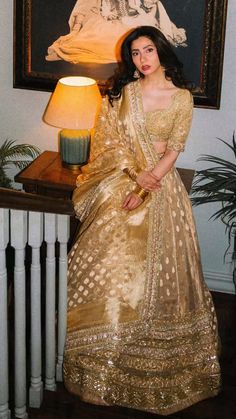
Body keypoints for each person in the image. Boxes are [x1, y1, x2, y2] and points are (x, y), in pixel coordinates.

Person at [63, 26, 221, 415]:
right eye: (135, 53)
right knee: (104, 272)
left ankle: (154, 365)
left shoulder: (181, 98)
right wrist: (132, 179)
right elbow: (110, 144)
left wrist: (147, 186)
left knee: (157, 283)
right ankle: (99, 370)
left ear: (161, 51)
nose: (142, 59)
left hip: (163, 192)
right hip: (123, 184)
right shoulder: (126, 94)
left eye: (148, 50)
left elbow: (174, 149)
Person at [45, 0, 186, 64]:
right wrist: (75, 31)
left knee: (141, 40)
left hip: (136, 19)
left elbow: (149, 6)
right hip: (109, 20)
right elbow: (84, 7)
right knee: (94, 41)